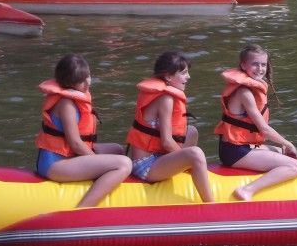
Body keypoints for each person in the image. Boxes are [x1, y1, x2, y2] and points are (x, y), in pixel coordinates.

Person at [35, 54, 132, 207]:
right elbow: (75, 143)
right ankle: (83, 208)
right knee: (124, 164)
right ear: (68, 83)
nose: (87, 83)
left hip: (68, 156)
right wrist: (95, 160)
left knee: (117, 150)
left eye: (88, 77)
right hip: (55, 165)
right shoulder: (66, 104)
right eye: (81, 81)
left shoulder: (74, 98)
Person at [215, 44, 297, 201]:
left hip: (240, 147)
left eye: (263, 64)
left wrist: (284, 147)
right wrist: (288, 143)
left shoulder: (250, 89)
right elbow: (264, 129)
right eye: (255, 64)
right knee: (295, 166)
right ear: (243, 65)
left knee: (282, 152)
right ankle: (247, 190)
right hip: (234, 152)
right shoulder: (244, 93)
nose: (260, 68)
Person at [126, 51, 215, 203]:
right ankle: (211, 204)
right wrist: (188, 159)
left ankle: (192, 168)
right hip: (145, 166)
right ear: (168, 76)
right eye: (184, 73)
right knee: (195, 154)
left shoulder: (165, 94)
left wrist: (184, 160)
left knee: (191, 132)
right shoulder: (165, 98)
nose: (188, 77)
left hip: (158, 157)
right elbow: (167, 142)